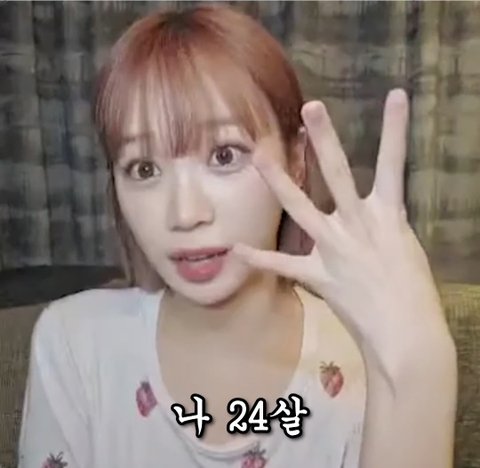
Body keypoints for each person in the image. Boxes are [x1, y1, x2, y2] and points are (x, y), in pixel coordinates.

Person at [18, 5, 457, 468]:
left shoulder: (365, 355)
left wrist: (419, 375)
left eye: (224, 155)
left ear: (296, 160)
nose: (185, 215)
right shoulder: (73, 344)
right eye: (144, 168)